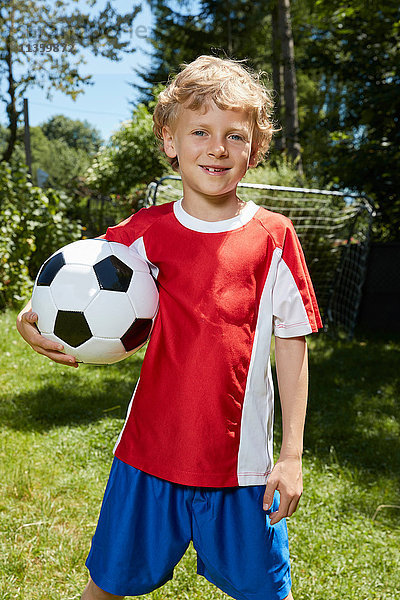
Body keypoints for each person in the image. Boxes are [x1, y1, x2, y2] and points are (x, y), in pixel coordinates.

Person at [16, 55, 322, 600]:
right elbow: (71, 283)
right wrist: (30, 320)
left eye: (235, 135)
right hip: (148, 455)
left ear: (255, 149)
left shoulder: (273, 236)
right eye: (200, 131)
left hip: (241, 466)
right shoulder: (144, 233)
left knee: (266, 593)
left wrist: (292, 456)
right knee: (106, 585)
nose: (217, 148)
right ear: (169, 141)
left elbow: (292, 347)